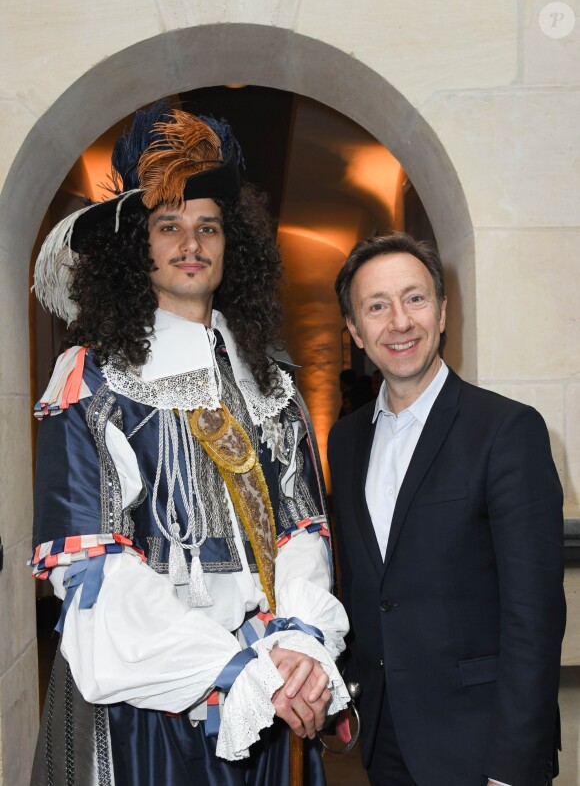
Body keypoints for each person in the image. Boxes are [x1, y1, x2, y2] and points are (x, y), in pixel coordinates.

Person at [30, 103, 349, 786]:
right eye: (167, 225)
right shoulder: (94, 380)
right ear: (134, 246)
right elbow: (93, 573)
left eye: (208, 226)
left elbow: (301, 531)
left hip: (267, 687)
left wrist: (297, 645)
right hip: (150, 706)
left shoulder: (270, 384)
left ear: (233, 244)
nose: (191, 242)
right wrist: (236, 670)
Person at [328, 233, 565, 786]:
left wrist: (511, 767)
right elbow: (363, 587)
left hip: (482, 748)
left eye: (415, 298)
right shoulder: (345, 441)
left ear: (441, 312)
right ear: (357, 332)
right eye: (377, 306)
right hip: (386, 746)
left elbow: (535, 619)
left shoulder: (507, 430)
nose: (400, 322)